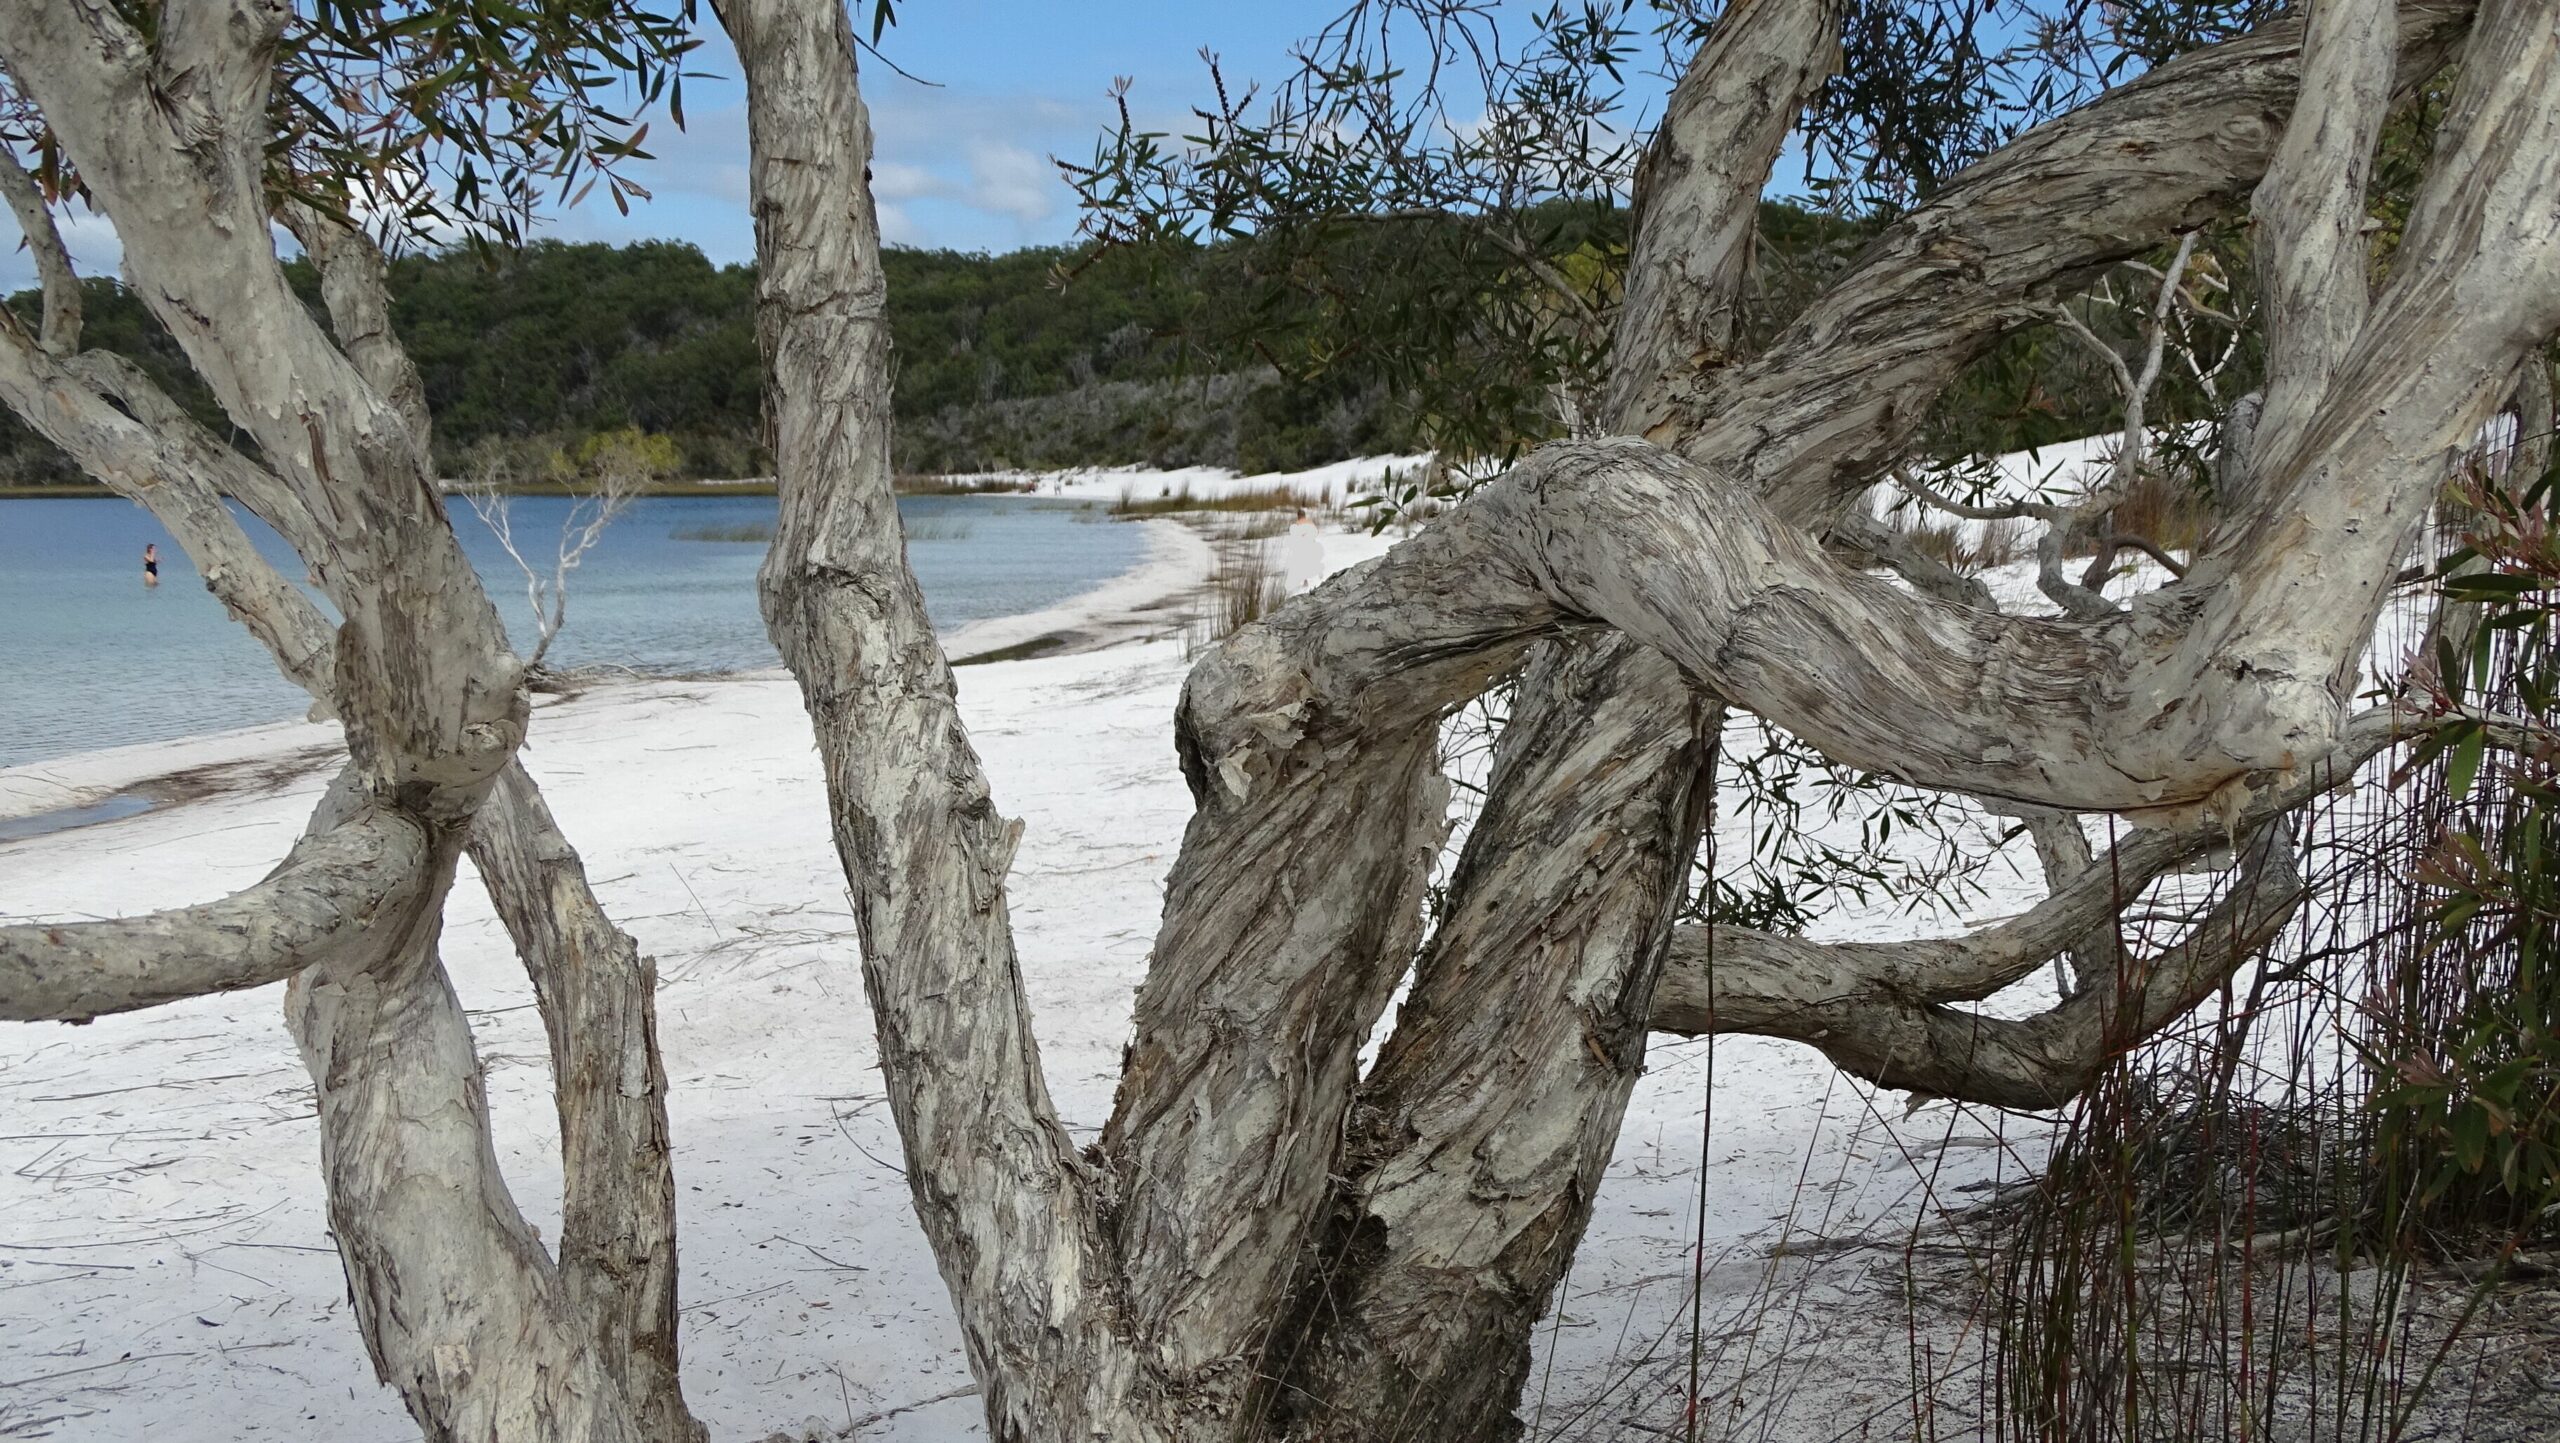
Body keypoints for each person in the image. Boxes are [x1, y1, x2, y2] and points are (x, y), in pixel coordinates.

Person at [1282, 507, 1325, 593]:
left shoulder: (1297, 523)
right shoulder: (1309, 522)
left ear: (1298, 516)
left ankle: (1305, 580)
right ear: (1304, 515)